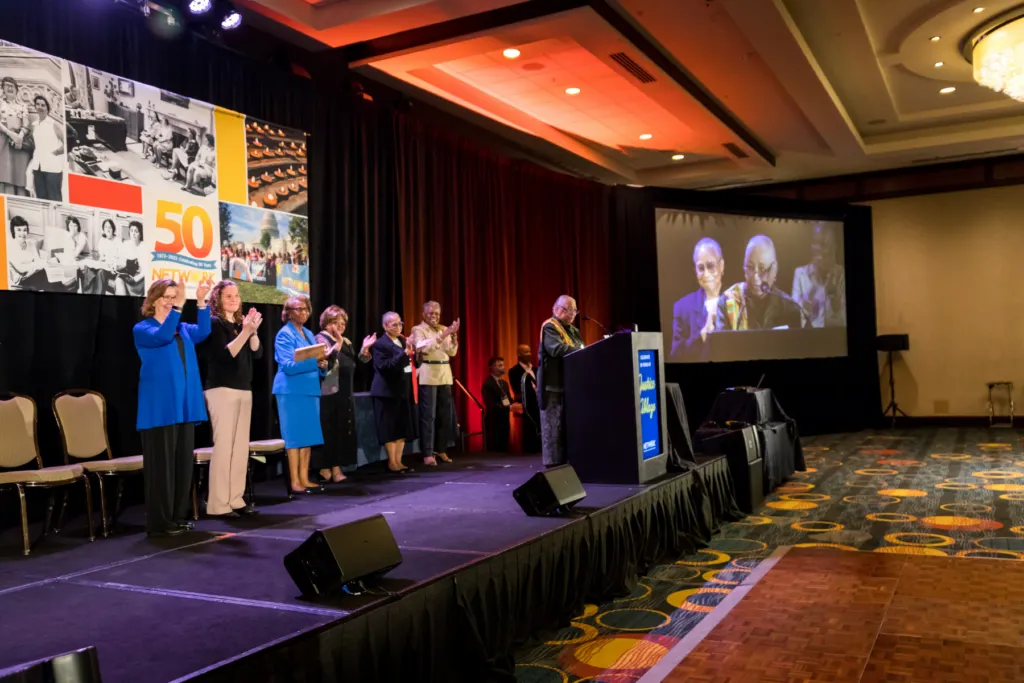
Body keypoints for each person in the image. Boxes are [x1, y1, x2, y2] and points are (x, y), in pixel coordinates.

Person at [134, 278, 211, 537]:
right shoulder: (143, 328)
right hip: (160, 409)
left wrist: (201, 302)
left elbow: (204, 332)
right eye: (166, 297)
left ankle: (178, 516)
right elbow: (163, 336)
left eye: (174, 297)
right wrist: (178, 307)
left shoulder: (183, 328)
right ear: (154, 300)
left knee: (182, 465)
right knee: (162, 469)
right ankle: (160, 522)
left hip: (184, 407)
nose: (170, 302)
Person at [201, 280, 262, 517]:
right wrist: (245, 332)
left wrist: (252, 331)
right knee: (224, 447)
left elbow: (257, 353)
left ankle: (235, 498)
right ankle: (218, 504)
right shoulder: (214, 323)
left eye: (236, 296)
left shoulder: (239, 324)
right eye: (228, 296)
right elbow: (225, 355)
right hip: (221, 389)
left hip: (243, 389)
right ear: (217, 298)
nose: (234, 300)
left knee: (240, 448)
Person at [313, 305, 375, 484]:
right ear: (326, 323)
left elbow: (357, 363)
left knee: (340, 429)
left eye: (343, 323)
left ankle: (336, 467)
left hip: (345, 391)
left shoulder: (346, 340)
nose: (340, 325)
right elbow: (327, 363)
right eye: (336, 322)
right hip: (328, 391)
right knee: (328, 429)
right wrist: (337, 344)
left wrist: (364, 350)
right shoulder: (320, 339)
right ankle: (325, 467)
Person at [273, 295, 327, 494]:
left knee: (308, 435)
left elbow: (317, 361)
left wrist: (323, 365)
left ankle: (304, 478)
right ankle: (294, 481)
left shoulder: (309, 333)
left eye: (305, 309)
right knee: (294, 437)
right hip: (291, 390)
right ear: (288, 313)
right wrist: (315, 362)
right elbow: (288, 366)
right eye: (298, 309)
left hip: (310, 389)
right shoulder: (284, 334)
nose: (303, 312)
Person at [408, 301, 459, 466]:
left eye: (437, 313)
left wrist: (453, 337)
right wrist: (443, 335)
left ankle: (441, 449)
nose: (434, 316)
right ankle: (428, 453)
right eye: (431, 313)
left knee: (444, 415)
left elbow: (452, 352)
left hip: (444, 373)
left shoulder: (444, 328)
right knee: (428, 416)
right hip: (428, 372)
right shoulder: (418, 329)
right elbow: (423, 348)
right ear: (424, 314)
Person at [716, 235, 803, 331]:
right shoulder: (728, 302)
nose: (755, 277)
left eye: (762, 269)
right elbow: (722, 340)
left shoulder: (789, 308)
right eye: (750, 267)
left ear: (774, 270)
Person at [538, 295, 585, 467]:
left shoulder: (573, 330)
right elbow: (556, 349)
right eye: (568, 309)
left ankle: (569, 462)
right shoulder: (550, 326)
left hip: (570, 384)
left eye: (574, 310)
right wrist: (580, 350)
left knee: (567, 427)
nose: (572, 314)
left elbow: (581, 347)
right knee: (553, 428)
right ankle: (553, 465)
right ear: (556, 309)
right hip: (552, 385)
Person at [370, 312, 416, 473]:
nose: (398, 327)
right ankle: (392, 461)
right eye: (394, 324)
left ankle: (399, 460)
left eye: (400, 323)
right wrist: (404, 353)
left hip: (402, 390)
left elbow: (413, 363)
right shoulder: (380, 344)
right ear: (385, 326)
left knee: (401, 426)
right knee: (389, 427)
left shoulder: (403, 340)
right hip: (386, 391)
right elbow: (385, 366)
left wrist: (416, 352)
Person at [670, 237, 724, 361]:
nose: (706, 273)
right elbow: (675, 357)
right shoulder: (682, 308)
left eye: (710, 266)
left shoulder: (737, 299)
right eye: (701, 268)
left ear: (721, 266)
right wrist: (701, 336)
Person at [792, 224, 846, 328]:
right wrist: (807, 306)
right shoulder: (800, 274)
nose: (817, 248)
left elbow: (846, 323)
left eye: (823, 244)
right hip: (809, 337)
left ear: (834, 247)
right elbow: (794, 319)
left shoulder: (842, 276)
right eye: (814, 243)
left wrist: (836, 305)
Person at [27, 94, 64, 202]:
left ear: (48, 108)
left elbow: (66, 143)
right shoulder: (34, 125)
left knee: (54, 198)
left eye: (43, 105)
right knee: (41, 197)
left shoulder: (53, 124)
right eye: (37, 104)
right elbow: (35, 144)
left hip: (52, 167)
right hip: (38, 167)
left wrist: (56, 152)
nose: (40, 107)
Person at [508, 344, 540, 453]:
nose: (529, 354)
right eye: (525, 352)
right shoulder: (514, 371)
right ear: (519, 354)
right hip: (526, 406)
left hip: (539, 404)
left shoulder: (535, 369)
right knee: (528, 434)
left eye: (529, 351)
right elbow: (518, 389)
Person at [7, 215, 48, 290]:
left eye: (25, 230)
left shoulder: (31, 244)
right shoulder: (10, 247)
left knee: (48, 276)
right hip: (21, 282)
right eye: (19, 230)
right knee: (43, 275)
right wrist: (34, 265)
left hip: (34, 276)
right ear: (13, 231)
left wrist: (31, 267)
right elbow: (21, 269)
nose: (22, 233)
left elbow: (38, 262)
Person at [482, 356, 513, 453]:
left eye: (503, 365)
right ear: (492, 367)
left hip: (505, 420)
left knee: (505, 448)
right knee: (496, 451)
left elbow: (509, 399)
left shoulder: (504, 383)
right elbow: (490, 404)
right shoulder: (487, 384)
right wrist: (506, 406)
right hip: (494, 422)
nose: (503, 368)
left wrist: (515, 405)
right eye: (500, 366)